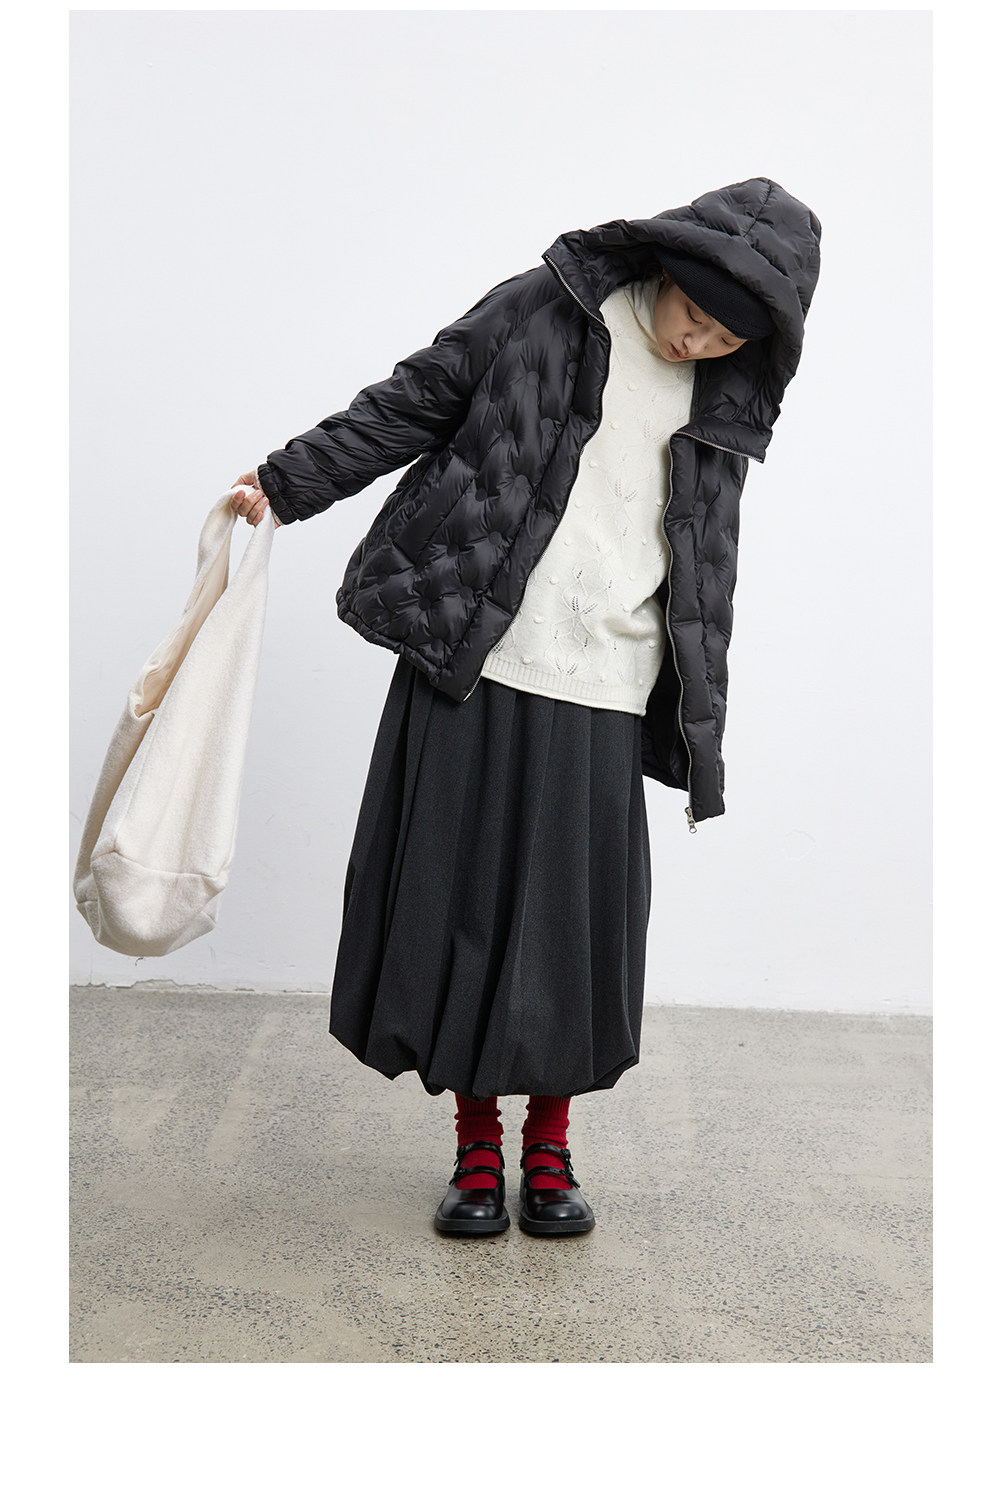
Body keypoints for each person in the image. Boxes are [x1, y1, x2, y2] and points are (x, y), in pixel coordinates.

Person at [230, 176, 822, 1238]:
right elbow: (417, 398)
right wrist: (287, 480)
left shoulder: (730, 396)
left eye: (726, 336)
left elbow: (702, 553)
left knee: (567, 931)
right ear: (670, 270)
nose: (696, 341)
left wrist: (696, 704)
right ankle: (473, 1146)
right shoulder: (551, 307)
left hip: (608, 679)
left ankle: (549, 1146)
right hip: (478, 649)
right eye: (694, 313)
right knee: (457, 906)